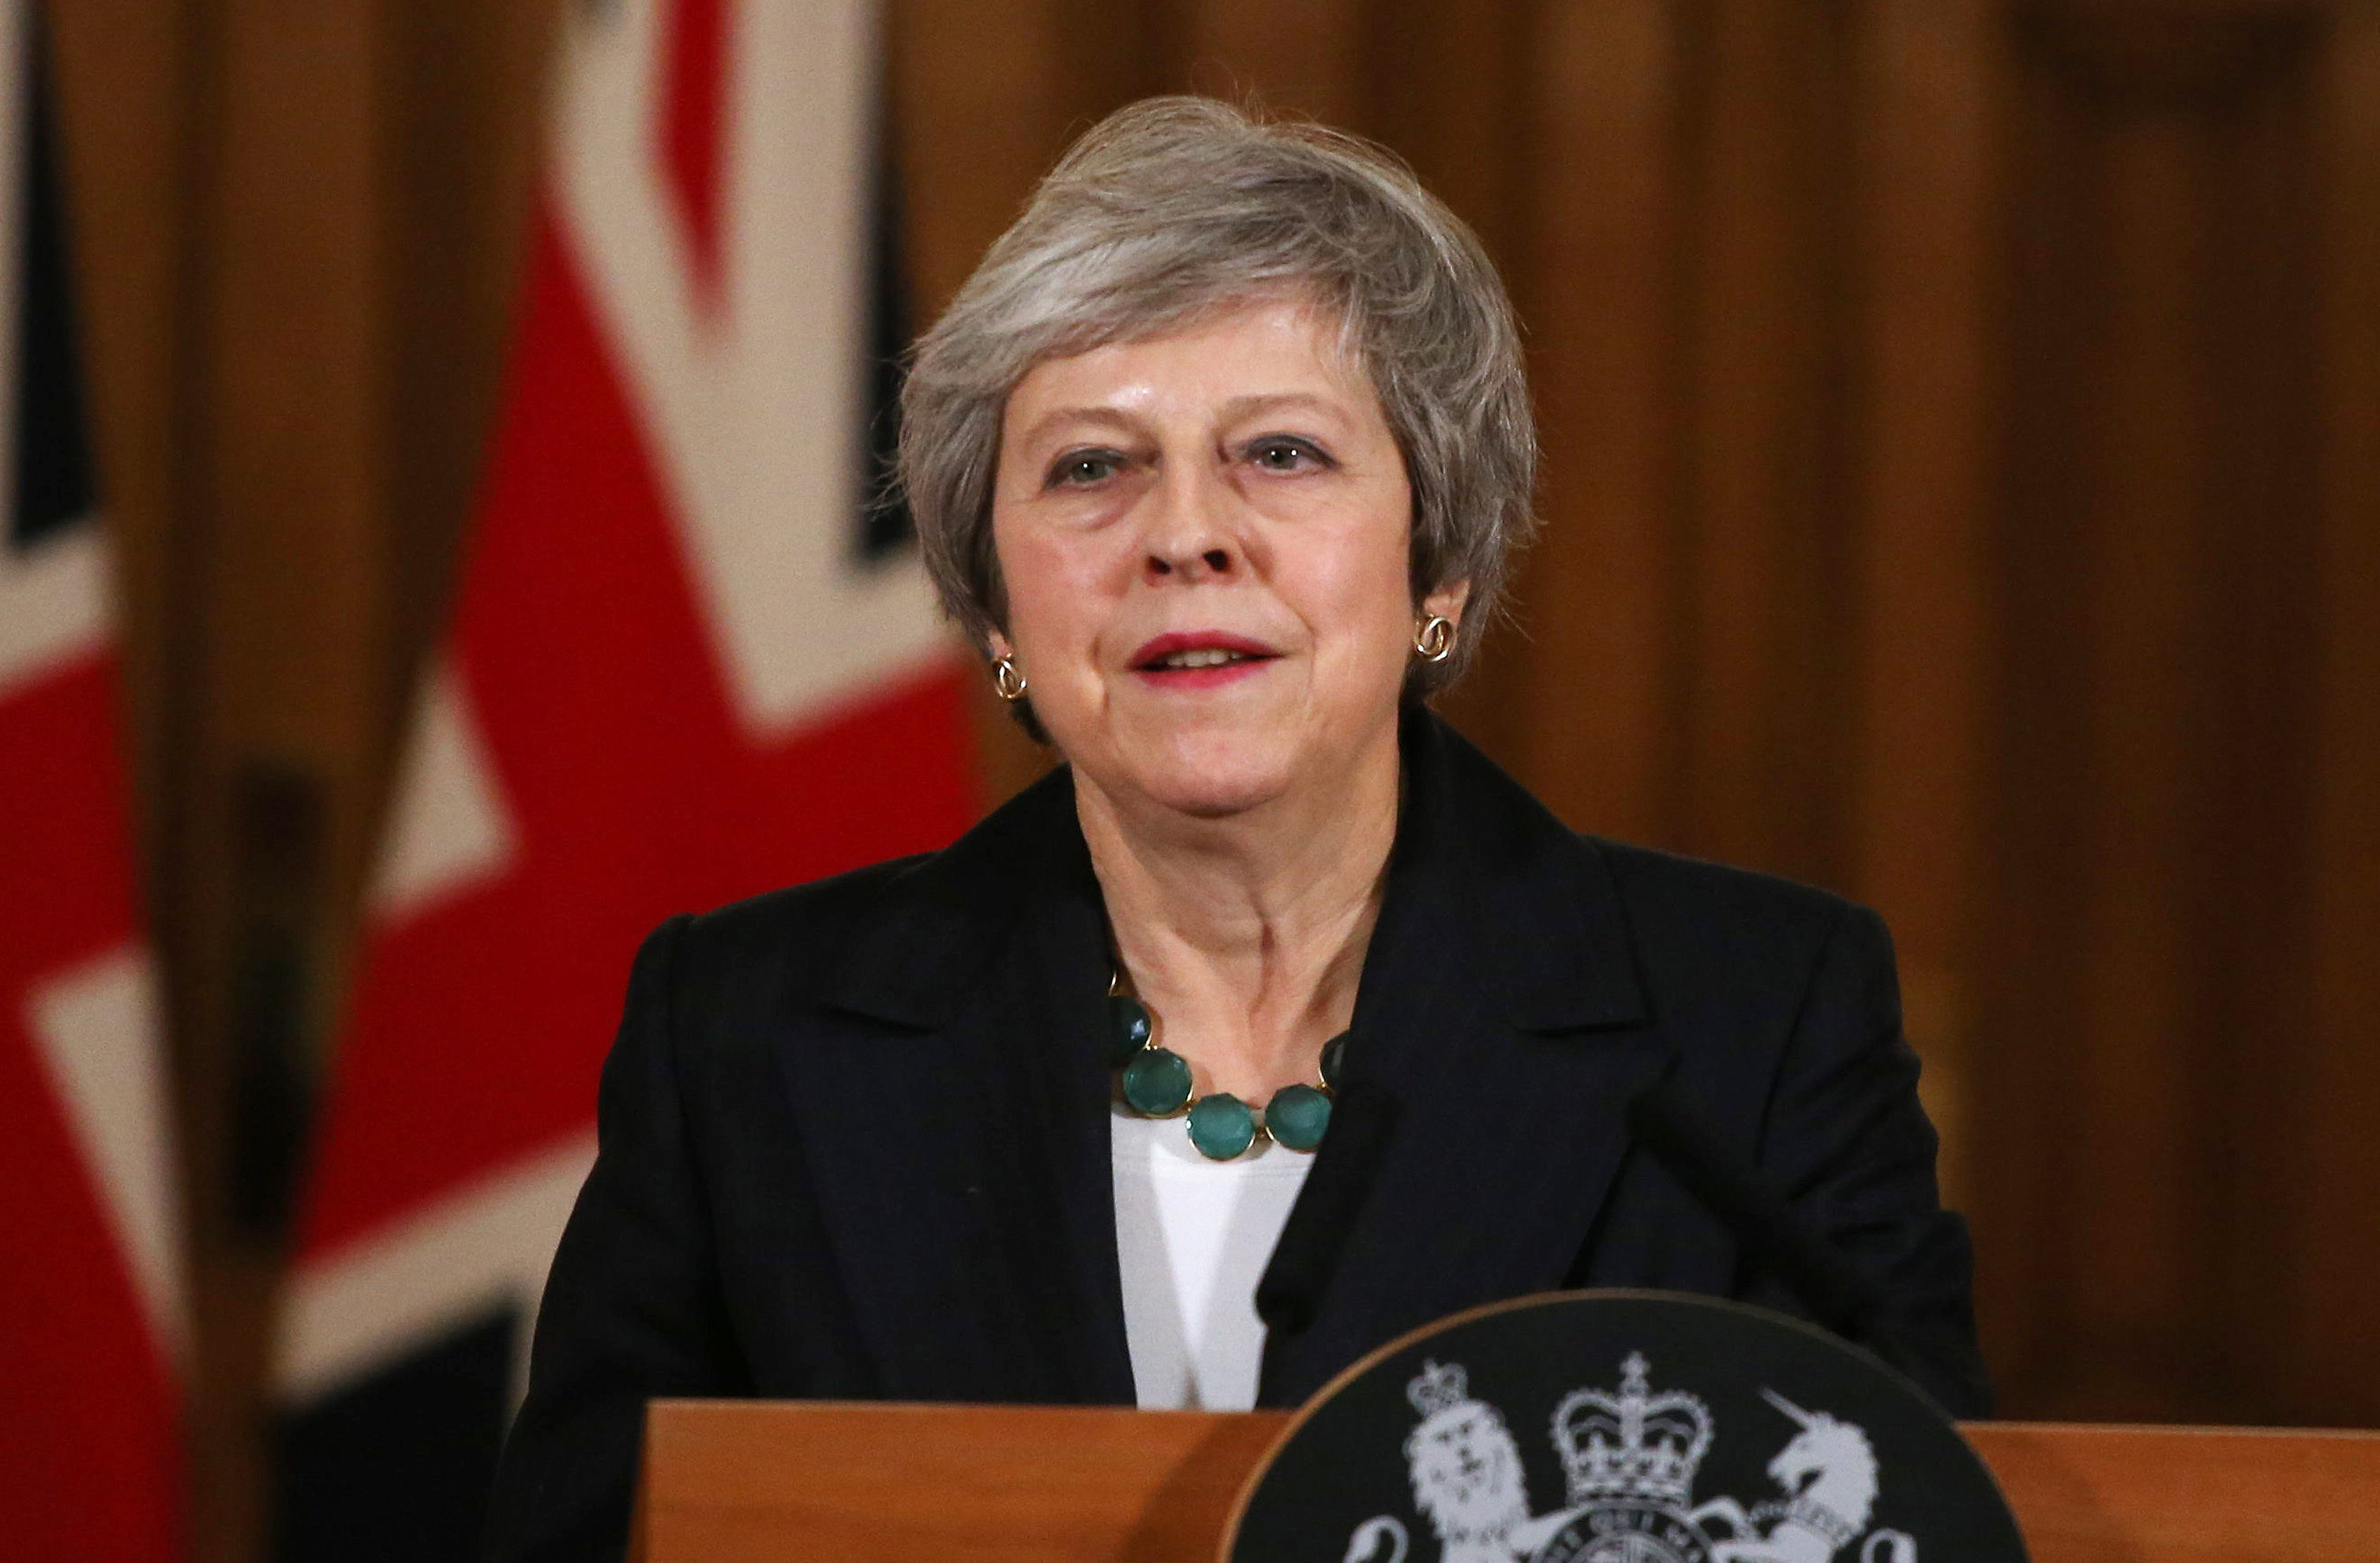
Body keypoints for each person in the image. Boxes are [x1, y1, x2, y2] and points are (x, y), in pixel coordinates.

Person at [484, 96, 1986, 1561]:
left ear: (1436, 567)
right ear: (996, 604)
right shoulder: (748, 1036)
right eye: (1090, 466)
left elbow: (1905, 1516)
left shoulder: (1752, 1028)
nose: (1183, 531)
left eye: (1280, 454)